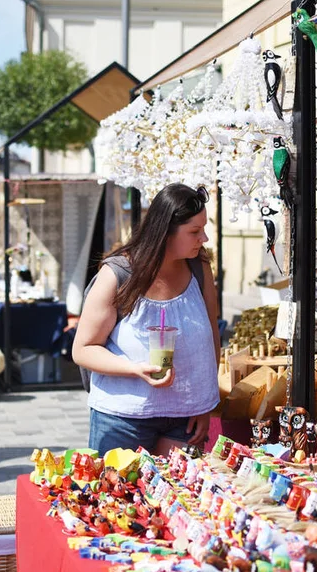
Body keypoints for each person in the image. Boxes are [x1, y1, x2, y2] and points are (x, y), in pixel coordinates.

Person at [72, 183, 220, 457]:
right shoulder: (117, 274)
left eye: (204, 228)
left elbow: (212, 334)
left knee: (180, 497)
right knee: (119, 497)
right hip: (122, 418)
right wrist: (135, 369)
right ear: (165, 232)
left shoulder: (199, 268)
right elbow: (83, 349)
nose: (205, 238)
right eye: (195, 231)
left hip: (185, 419)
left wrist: (205, 404)